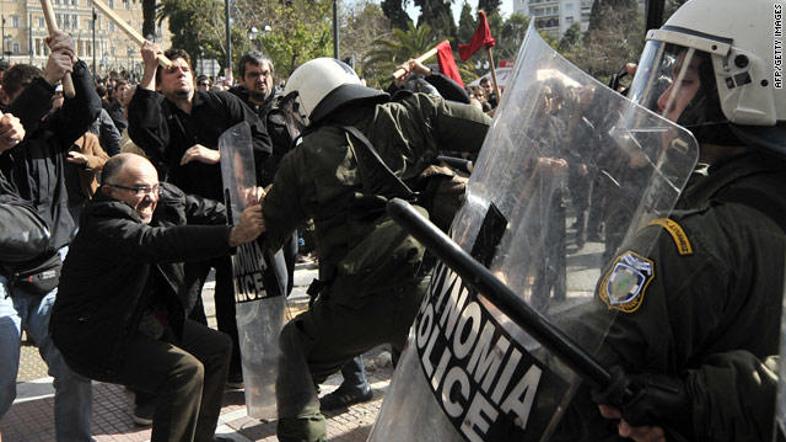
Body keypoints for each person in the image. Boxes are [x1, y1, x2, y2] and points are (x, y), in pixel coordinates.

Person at [550, 0, 786, 440]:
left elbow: (573, 371)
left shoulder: (690, 243)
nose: (662, 98)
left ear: (742, 87)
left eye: (685, 80)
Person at [259, 57, 491, 441]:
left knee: (295, 346)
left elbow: (270, 231)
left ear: (304, 104)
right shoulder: (416, 111)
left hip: (354, 299)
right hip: (430, 283)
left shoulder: (304, 156)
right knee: (455, 377)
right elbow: (495, 134)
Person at [50, 153, 265, 442]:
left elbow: (206, 209)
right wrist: (231, 236)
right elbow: (156, 242)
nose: (151, 197)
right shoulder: (103, 224)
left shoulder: (163, 197)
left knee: (217, 347)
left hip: (140, 319)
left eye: (154, 188)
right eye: (139, 189)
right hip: (96, 336)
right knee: (184, 371)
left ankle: (200, 437)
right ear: (109, 191)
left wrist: (250, 207)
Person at [128, 42, 273, 388]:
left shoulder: (224, 104)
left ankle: (235, 367)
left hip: (229, 215)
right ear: (161, 83)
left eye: (184, 68)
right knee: (184, 295)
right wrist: (149, 70)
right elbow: (147, 136)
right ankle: (195, 363)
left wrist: (219, 153)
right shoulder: (159, 111)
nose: (179, 73)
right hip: (185, 220)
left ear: (194, 75)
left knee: (231, 293)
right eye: (170, 70)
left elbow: (262, 144)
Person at [0, 31, 100, 441]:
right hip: (2, 275)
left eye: (49, 100)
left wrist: (72, 62)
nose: (43, 110)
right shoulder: (5, 133)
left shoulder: (53, 135)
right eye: (32, 98)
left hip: (48, 268)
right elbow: (21, 118)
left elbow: (87, 106)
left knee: (75, 363)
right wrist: (45, 80)